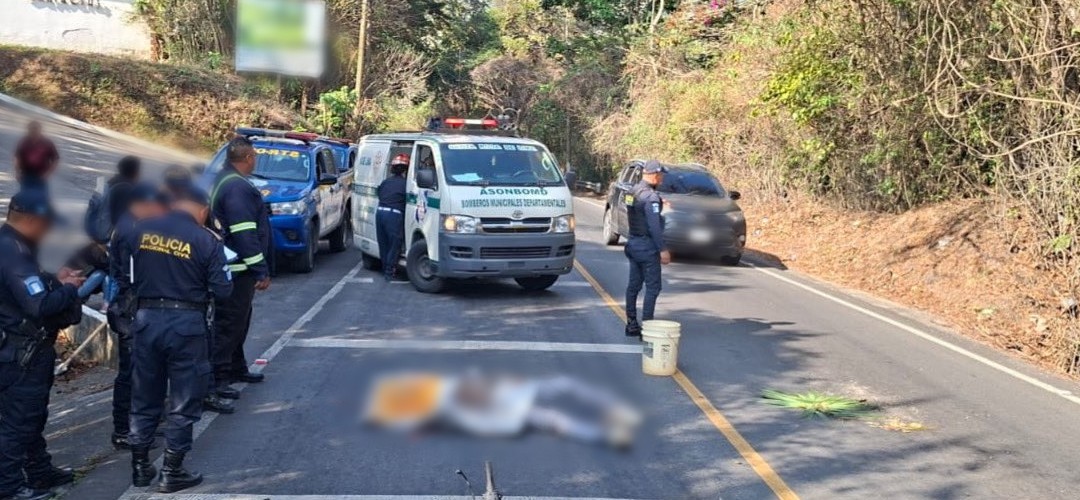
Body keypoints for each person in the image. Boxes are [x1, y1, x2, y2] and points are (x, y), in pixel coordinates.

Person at [125, 182, 232, 493]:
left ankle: (140, 466)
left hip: (145, 320)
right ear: (202, 210)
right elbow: (223, 290)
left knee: (145, 394)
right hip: (186, 323)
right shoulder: (206, 239)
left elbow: (121, 269)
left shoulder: (140, 231)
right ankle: (172, 470)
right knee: (184, 397)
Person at [0, 190, 85, 500]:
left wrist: (53, 277)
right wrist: (68, 288)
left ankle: (38, 471)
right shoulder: (12, 252)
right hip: (21, 354)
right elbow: (38, 305)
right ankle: (8, 487)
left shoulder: (16, 245)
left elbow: (30, 286)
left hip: (25, 351)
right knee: (19, 422)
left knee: (32, 416)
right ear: (33, 220)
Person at [208, 137, 270, 406]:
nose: (255, 160)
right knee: (230, 323)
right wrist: (260, 269)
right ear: (247, 158)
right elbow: (245, 232)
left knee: (239, 320)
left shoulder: (225, 179)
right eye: (254, 156)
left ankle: (236, 366)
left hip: (234, 266)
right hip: (238, 269)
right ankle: (220, 377)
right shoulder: (237, 188)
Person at [106, 183, 168, 450]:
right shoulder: (132, 231)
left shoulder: (131, 226)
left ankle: (141, 425)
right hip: (130, 309)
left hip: (133, 306)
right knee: (131, 372)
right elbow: (134, 276)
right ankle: (124, 429)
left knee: (143, 370)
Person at [623, 160, 671, 338]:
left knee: (633, 286)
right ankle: (647, 328)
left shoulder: (633, 191)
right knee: (653, 288)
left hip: (633, 243)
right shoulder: (650, 197)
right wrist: (663, 249)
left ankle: (631, 324)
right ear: (654, 174)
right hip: (647, 247)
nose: (662, 178)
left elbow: (636, 211)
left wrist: (658, 202)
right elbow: (654, 227)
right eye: (661, 174)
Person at [376, 154, 408, 281]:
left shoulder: (385, 182)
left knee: (383, 243)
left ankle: (385, 269)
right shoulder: (406, 185)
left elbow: (380, 195)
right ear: (406, 170)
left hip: (380, 213)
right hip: (393, 215)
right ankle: (390, 272)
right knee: (395, 244)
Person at [12, 122, 58, 190]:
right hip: (26, 175)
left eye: (35, 129)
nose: (33, 131)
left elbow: (55, 159)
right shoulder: (24, 142)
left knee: (41, 198)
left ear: (40, 130)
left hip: (41, 176)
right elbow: (17, 157)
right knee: (25, 197)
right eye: (31, 129)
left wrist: (48, 173)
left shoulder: (47, 143)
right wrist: (17, 172)